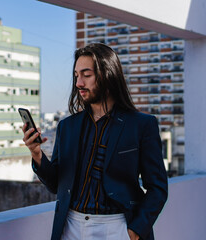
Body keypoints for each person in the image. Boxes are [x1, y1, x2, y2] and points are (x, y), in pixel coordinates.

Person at [22, 43, 168, 240]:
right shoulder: (67, 126)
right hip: (70, 227)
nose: (79, 83)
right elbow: (56, 184)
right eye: (76, 75)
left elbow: (157, 188)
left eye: (86, 75)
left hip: (117, 227)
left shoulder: (142, 125)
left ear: (108, 75)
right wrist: (37, 154)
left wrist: (134, 232)